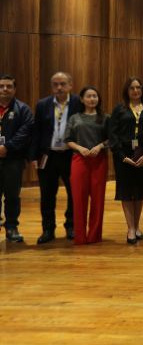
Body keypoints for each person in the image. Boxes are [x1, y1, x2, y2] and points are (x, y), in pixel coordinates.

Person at [30, 71, 83, 243]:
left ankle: (71, 226)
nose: (59, 87)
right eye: (55, 84)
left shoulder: (79, 103)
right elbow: (36, 131)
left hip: (71, 155)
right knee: (47, 194)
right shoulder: (42, 104)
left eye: (63, 84)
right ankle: (48, 229)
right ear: (52, 86)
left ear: (70, 85)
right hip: (48, 156)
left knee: (73, 193)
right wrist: (33, 156)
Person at [109, 78, 143, 245]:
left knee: (139, 191)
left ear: (142, 90)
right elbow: (112, 135)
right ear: (126, 91)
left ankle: (137, 226)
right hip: (124, 157)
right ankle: (130, 228)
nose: (135, 91)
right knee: (126, 192)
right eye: (132, 88)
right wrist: (122, 156)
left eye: (138, 87)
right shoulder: (119, 109)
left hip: (142, 155)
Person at [65, 86, 110, 245]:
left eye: (95, 96)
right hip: (79, 160)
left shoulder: (105, 118)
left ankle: (94, 236)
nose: (92, 99)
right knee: (79, 199)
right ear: (82, 99)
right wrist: (80, 148)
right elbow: (68, 139)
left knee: (98, 199)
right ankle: (80, 236)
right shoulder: (74, 118)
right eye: (89, 96)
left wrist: (100, 146)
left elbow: (112, 138)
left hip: (99, 160)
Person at [0, 74, 34, 243]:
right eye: (1, 86)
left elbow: (25, 131)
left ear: (15, 89)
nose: (5, 89)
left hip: (13, 159)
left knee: (12, 195)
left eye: (9, 86)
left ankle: (11, 227)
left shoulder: (23, 109)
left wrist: (7, 147)